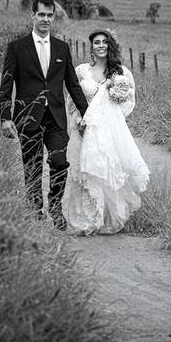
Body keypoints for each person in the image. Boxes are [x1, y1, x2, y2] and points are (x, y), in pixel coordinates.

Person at [0, 0, 90, 230]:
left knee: (60, 162)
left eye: (50, 15)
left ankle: (56, 207)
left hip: (57, 119)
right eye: (41, 15)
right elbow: (6, 84)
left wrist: (87, 114)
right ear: (33, 16)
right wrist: (6, 117)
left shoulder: (62, 48)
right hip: (28, 118)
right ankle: (36, 211)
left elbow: (72, 84)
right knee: (33, 166)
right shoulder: (17, 47)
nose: (46, 19)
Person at [62, 29, 150, 235]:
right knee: (83, 171)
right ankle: (86, 219)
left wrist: (110, 120)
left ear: (110, 45)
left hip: (107, 131)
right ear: (91, 47)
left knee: (107, 170)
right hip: (83, 128)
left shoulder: (121, 73)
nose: (100, 45)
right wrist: (78, 120)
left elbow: (130, 102)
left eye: (104, 42)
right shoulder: (81, 70)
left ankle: (107, 217)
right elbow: (72, 100)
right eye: (96, 42)